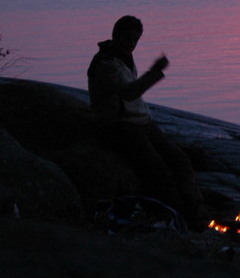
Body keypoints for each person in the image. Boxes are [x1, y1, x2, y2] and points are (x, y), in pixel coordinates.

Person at [86, 15, 203, 224]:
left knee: (180, 159)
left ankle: (195, 214)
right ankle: (176, 216)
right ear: (116, 36)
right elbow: (129, 92)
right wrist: (155, 72)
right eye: (128, 39)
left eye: (135, 40)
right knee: (158, 170)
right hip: (119, 127)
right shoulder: (105, 63)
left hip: (142, 123)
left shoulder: (124, 58)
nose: (131, 44)